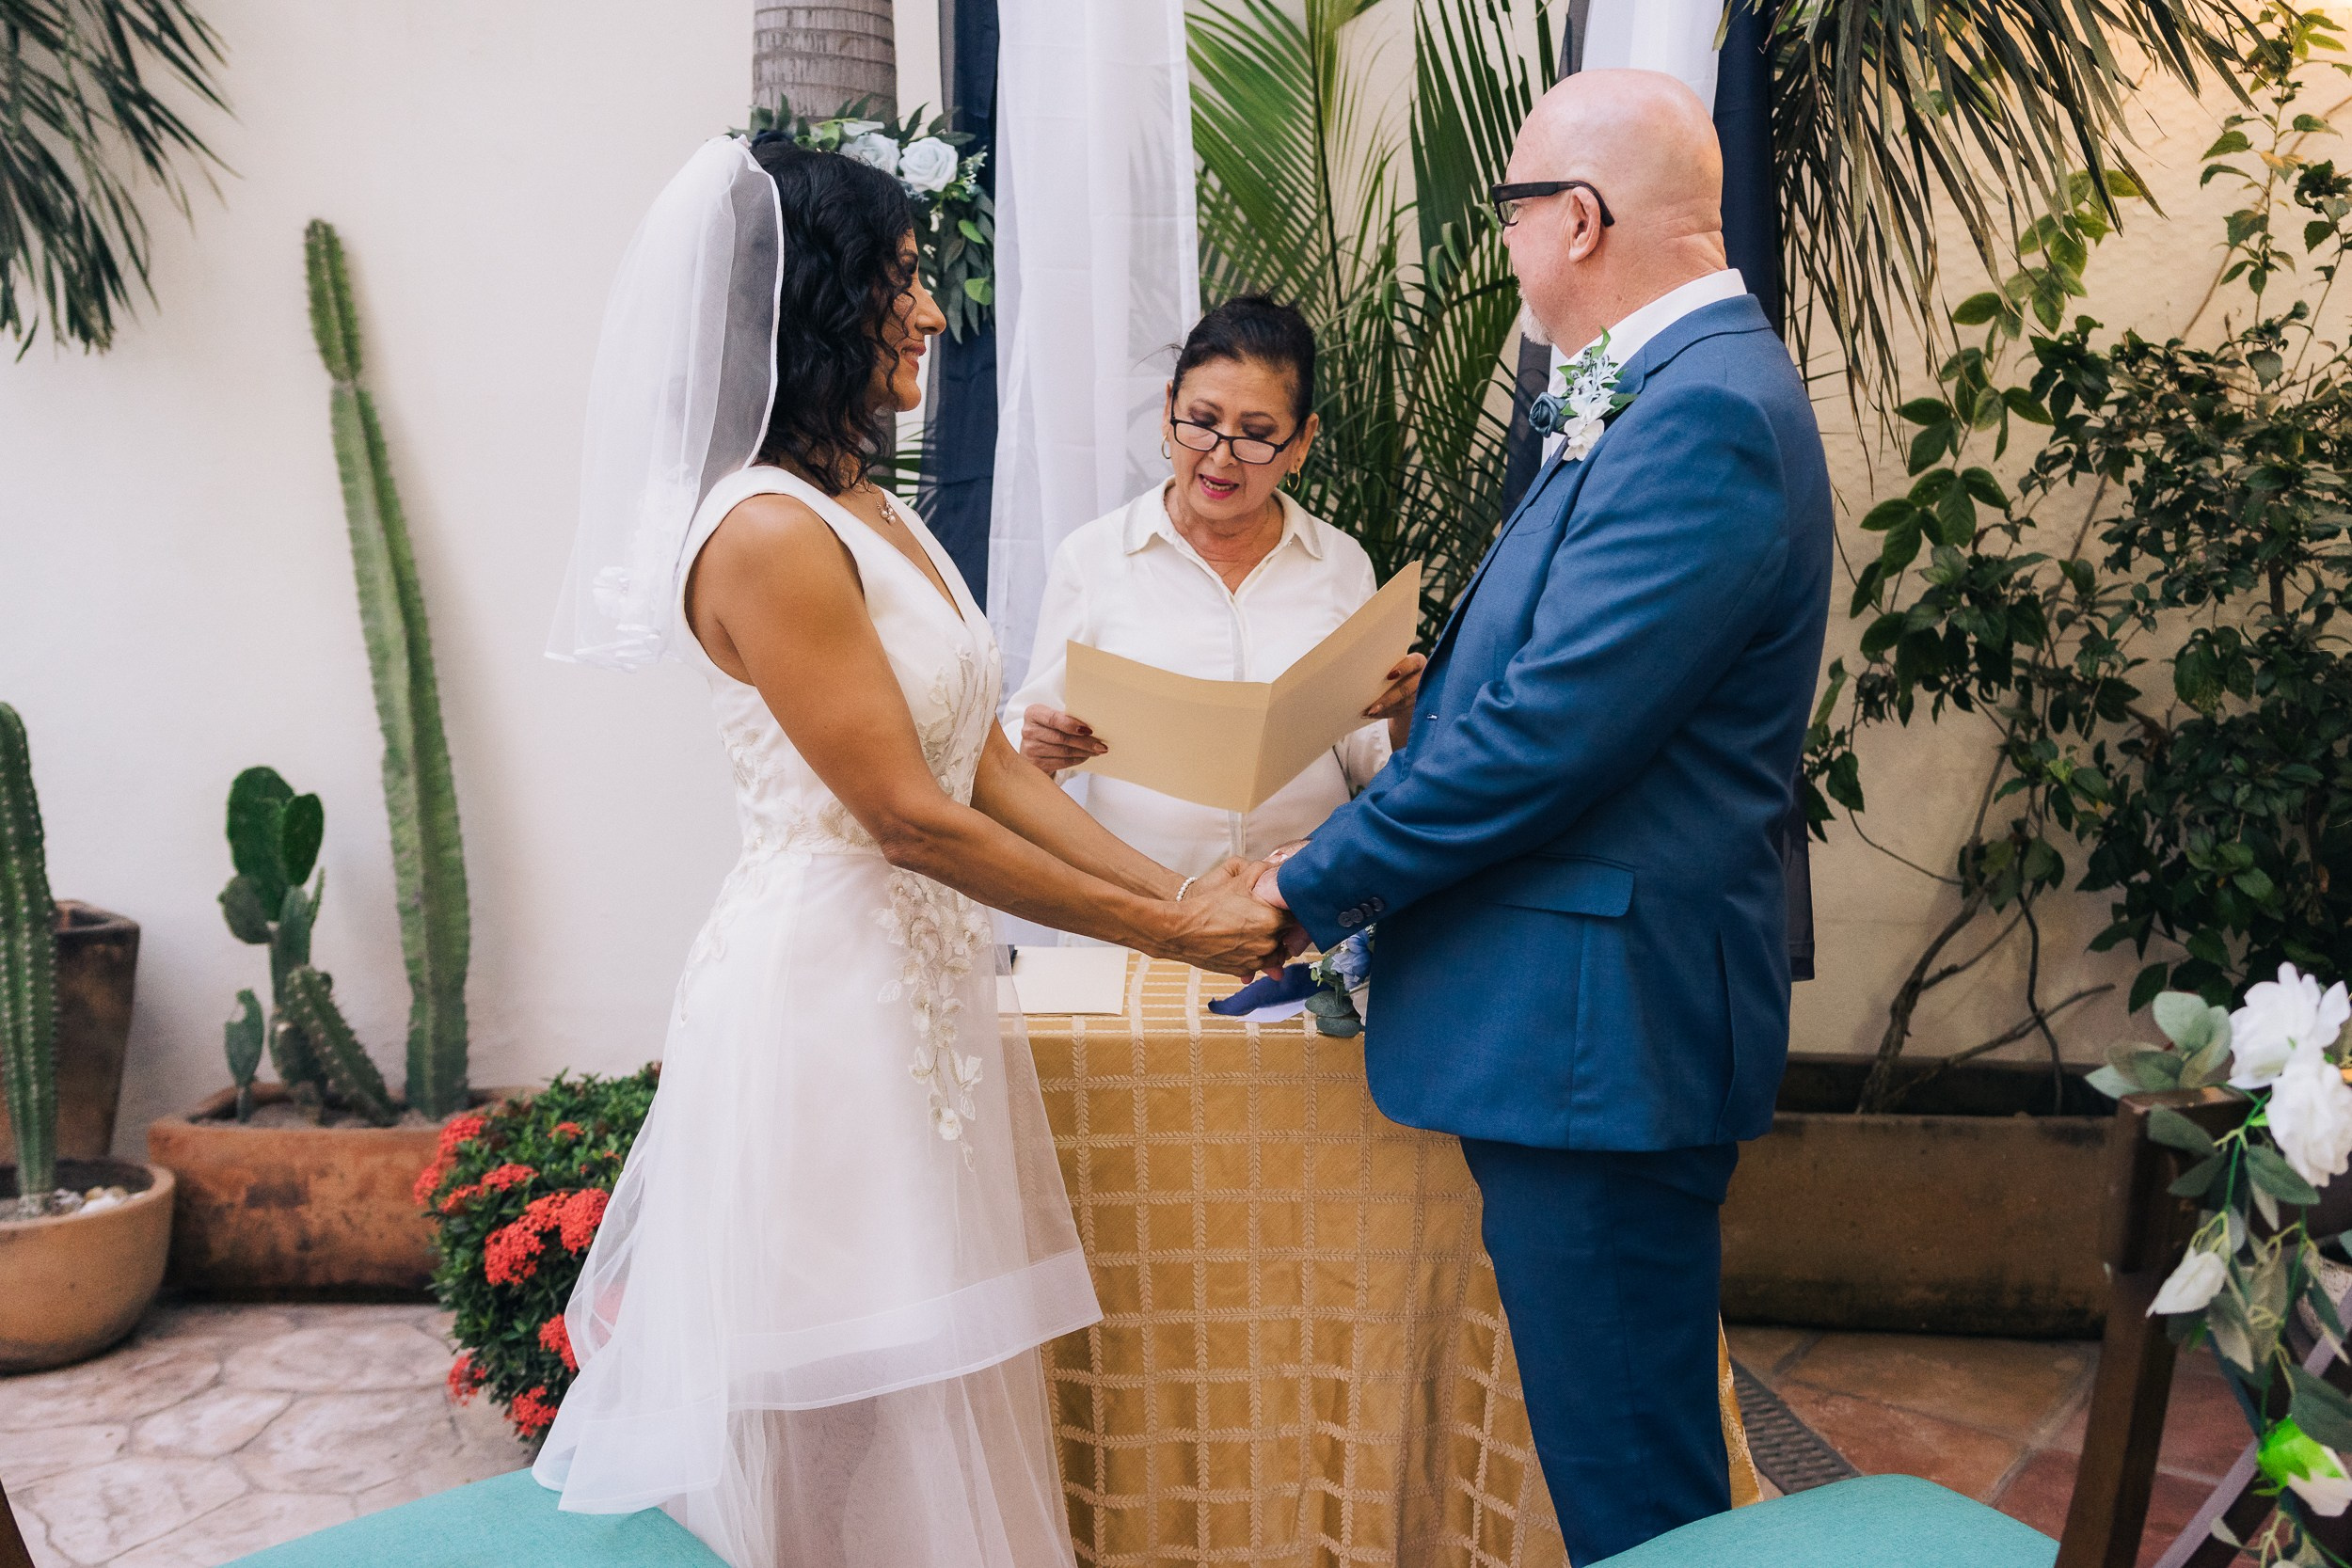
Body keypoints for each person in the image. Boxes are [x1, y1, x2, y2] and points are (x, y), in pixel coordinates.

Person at [534, 135, 1292, 1568]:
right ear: (816, 301)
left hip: (920, 999)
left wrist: (1174, 885)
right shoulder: (762, 532)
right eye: (899, 278)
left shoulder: (870, 509)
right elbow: (906, 814)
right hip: (822, 1006)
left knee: (929, 1381)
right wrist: (1174, 936)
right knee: (843, 1391)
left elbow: (985, 763)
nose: (933, 313)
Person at [1252, 71, 1833, 1564]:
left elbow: (1551, 734)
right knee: (1618, 1459)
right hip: (1581, 1027)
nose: (1506, 247)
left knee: (1635, 1489)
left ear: (1579, 219)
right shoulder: (1674, 386)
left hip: (1601, 1036)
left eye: (1513, 213)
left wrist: (1313, 882)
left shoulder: (1701, 409)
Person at [1002, 296, 1424, 879]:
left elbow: (1366, 758)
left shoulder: (1339, 564)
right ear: (1169, 410)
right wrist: (1038, 748)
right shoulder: (1095, 557)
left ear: (1301, 442)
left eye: (1256, 435)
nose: (1221, 459)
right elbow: (1019, 751)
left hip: (1295, 915)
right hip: (1138, 914)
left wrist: (1404, 715)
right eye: (1202, 423)